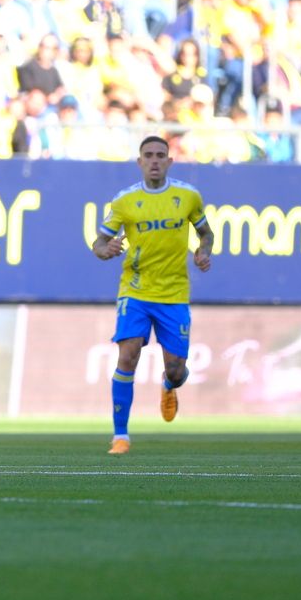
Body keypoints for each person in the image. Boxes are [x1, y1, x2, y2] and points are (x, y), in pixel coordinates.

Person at [91, 135, 214, 456]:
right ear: (140, 162)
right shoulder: (124, 202)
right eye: (149, 155)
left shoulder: (187, 197)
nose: (155, 160)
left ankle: (169, 385)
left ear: (170, 161)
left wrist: (204, 251)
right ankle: (120, 436)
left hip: (174, 294)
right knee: (127, 355)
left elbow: (206, 232)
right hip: (135, 291)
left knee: (176, 369)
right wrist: (107, 251)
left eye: (161, 155)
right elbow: (98, 244)